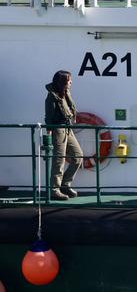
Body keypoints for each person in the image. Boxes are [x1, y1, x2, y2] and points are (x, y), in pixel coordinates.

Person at [44, 70, 82, 200]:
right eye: (69, 80)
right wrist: (48, 136)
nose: (71, 82)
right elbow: (48, 118)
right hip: (58, 130)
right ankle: (54, 190)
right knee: (59, 160)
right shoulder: (52, 97)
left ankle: (65, 185)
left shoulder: (65, 94)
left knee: (78, 156)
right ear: (62, 82)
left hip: (67, 129)